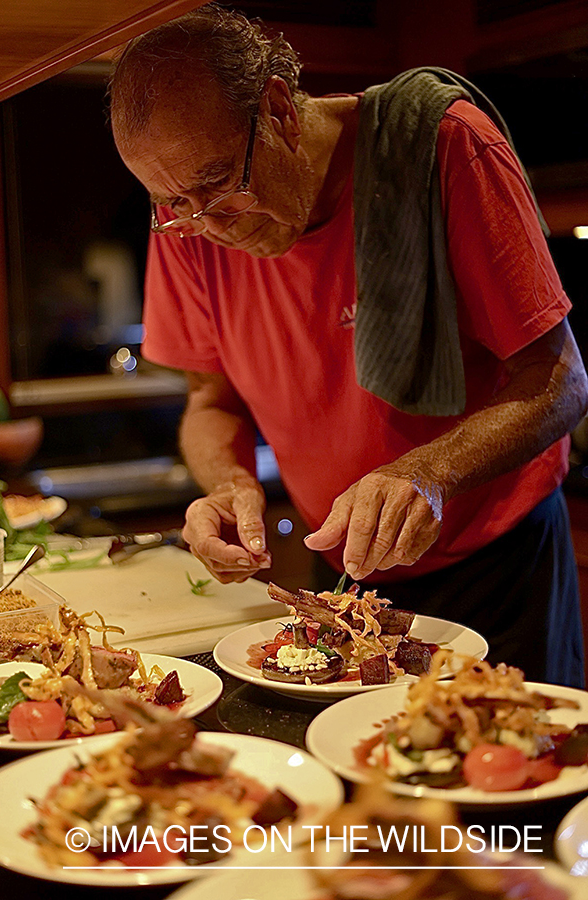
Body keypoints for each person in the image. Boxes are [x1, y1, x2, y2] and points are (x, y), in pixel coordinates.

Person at [109, 3, 588, 686]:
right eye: (173, 204)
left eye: (221, 185)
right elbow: (210, 399)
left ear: (276, 109)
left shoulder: (442, 148)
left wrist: (429, 473)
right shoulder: (194, 222)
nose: (208, 224)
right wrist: (229, 486)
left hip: (496, 574)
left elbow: (561, 380)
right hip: (346, 577)